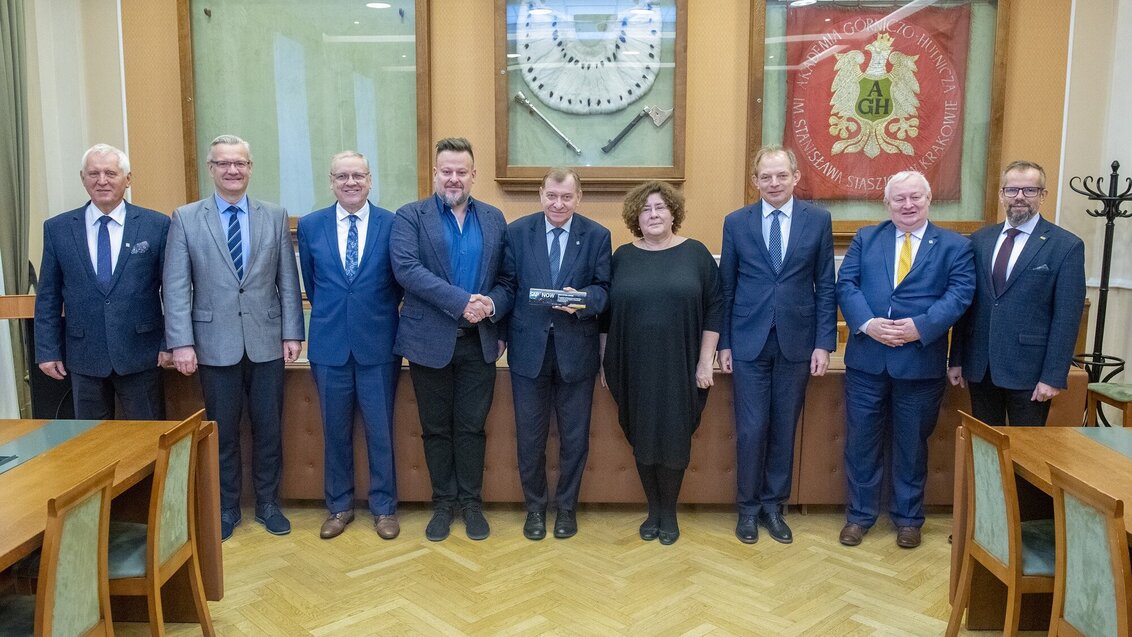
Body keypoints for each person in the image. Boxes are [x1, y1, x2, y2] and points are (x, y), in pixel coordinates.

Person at [163, 134, 304, 541]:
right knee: (222, 432)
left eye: (240, 163)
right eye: (223, 163)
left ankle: (268, 504)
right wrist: (181, 342)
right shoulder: (187, 217)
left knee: (268, 429)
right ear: (211, 169)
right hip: (212, 344)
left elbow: (287, 282)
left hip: (266, 342)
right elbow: (175, 287)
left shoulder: (273, 215)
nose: (232, 170)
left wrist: (293, 331)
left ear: (250, 167)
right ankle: (226, 508)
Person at [836, 170, 974, 549]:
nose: (908, 205)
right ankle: (860, 516)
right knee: (861, 442)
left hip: (920, 362)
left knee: (912, 445)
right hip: (867, 362)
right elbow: (845, 284)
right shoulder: (867, 238)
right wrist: (866, 323)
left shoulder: (953, 246)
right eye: (900, 199)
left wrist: (921, 327)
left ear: (929, 200)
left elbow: (960, 294)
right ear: (887, 203)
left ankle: (909, 519)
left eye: (915, 197)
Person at [718, 145, 836, 545]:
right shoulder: (736, 222)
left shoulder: (818, 220)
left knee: (784, 429)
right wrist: (725, 344)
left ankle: (774, 507)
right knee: (751, 430)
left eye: (781, 175)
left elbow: (826, 286)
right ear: (755, 182)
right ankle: (747, 511)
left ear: (795, 176)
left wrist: (824, 343)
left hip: (797, 344)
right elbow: (727, 289)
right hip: (748, 344)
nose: (774, 183)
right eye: (765, 177)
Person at [391, 137, 506, 542]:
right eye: (446, 171)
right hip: (428, 342)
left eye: (462, 171)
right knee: (436, 428)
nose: (453, 178)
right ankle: (443, 504)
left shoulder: (493, 218)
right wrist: (462, 302)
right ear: (435, 173)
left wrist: (489, 304)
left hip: (480, 342)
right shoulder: (410, 217)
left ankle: (471, 504)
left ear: (474, 175)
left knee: (472, 427)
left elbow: (507, 280)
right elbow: (407, 270)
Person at [486, 168, 611, 541]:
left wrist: (583, 300)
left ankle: (567, 510)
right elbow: (506, 286)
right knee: (530, 437)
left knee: (574, 438)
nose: (559, 204)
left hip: (577, 350)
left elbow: (606, 289)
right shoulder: (517, 231)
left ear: (579, 197)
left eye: (566, 197)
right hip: (528, 351)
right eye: (552, 196)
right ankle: (536, 509)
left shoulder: (597, 235)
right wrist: (500, 335)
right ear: (540, 195)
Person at [601, 180, 722, 545]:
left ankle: (668, 512)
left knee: (673, 436)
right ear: (636, 217)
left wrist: (705, 362)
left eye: (660, 208)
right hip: (631, 364)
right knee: (641, 435)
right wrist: (603, 362)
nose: (653, 215)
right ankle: (652, 509)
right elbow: (604, 316)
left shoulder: (696, 254)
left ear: (673, 212)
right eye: (645, 209)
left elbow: (716, 308)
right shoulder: (621, 257)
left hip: (681, 364)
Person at [297, 151, 403, 540]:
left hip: (379, 344)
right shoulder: (311, 226)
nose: (350, 182)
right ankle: (339, 507)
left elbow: (399, 281)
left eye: (358, 175)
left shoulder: (392, 223)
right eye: (342, 176)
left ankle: (384, 509)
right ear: (331, 182)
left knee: (380, 431)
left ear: (370, 180)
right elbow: (312, 283)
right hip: (329, 347)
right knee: (334, 432)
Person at [35, 143, 170, 420]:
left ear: (128, 179)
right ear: (83, 179)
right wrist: (47, 350)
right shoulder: (57, 229)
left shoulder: (156, 225)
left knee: (147, 441)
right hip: (85, 355)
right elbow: (48, 296)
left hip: (141, 353)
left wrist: (170, 342)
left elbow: (173, 291)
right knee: (92, 442)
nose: (102, 180)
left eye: (110, 172)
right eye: (93, 173)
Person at [947, 160, 1086, 426]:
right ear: (1001, 195)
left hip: (1031, 373)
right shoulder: (979, 240)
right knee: (985, 449)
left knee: (1026, 455)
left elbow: (1067, 318)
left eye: (1029, 190)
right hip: (981, 367)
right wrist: (957, 359)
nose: (1019, 197)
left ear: (1043, 196)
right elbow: (967, 306)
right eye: (1012, 190)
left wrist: (1053, 376)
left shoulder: (1065, 246)